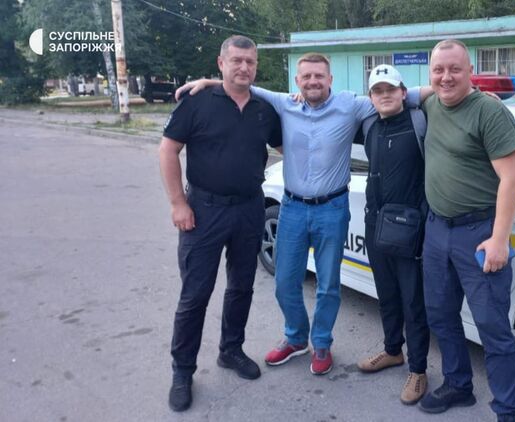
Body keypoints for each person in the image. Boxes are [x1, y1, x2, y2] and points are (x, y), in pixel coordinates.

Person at [177, 54, 426, 376]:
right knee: (285, 282)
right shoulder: (284, 103)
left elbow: (405, 94)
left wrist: (459, 89)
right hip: (293, 208)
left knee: (328, 285)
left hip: (332, 208)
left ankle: (321, 343)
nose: (313, 81)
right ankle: (295, 338)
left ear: (330, 79)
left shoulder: (351, 105)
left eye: (319, 76)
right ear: (297, 82)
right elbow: (243, 85)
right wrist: (208, 82)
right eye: (306, 76)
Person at [159, 35, 282, 412]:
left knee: (242, 287)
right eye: (237, 60)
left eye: (250, 62)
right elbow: (168, 149)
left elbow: (284, 144)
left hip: (249, 209)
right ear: (221, 63)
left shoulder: (264, 109)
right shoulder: (196, 102)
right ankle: (182, 371)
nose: (244, 67)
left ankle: (231, 349)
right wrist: (178, 203)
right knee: (195, 294)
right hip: (204, 211)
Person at [418, 39, 515, 422]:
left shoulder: (488, 112)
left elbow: (512, 179)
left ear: (470, 72)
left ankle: (507, 411)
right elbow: (395, 94)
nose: (446, 77)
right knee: (441, 316)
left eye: (455, 69)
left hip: (478, 233)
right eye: (438, 70)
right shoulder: (431, 103)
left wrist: (499, 240)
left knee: (493, 329)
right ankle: (458, 385)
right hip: (436, 230)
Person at [356, 64, 430, 405]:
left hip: (410, 227)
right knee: (386, 294)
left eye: (391, 89)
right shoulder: (369, 124)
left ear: (403, 92)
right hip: (375, 224)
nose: (384, 95)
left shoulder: (420, 121)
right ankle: (392, 351)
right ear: (371, 97)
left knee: (413, 301)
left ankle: (418, 370)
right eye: (378, 91)